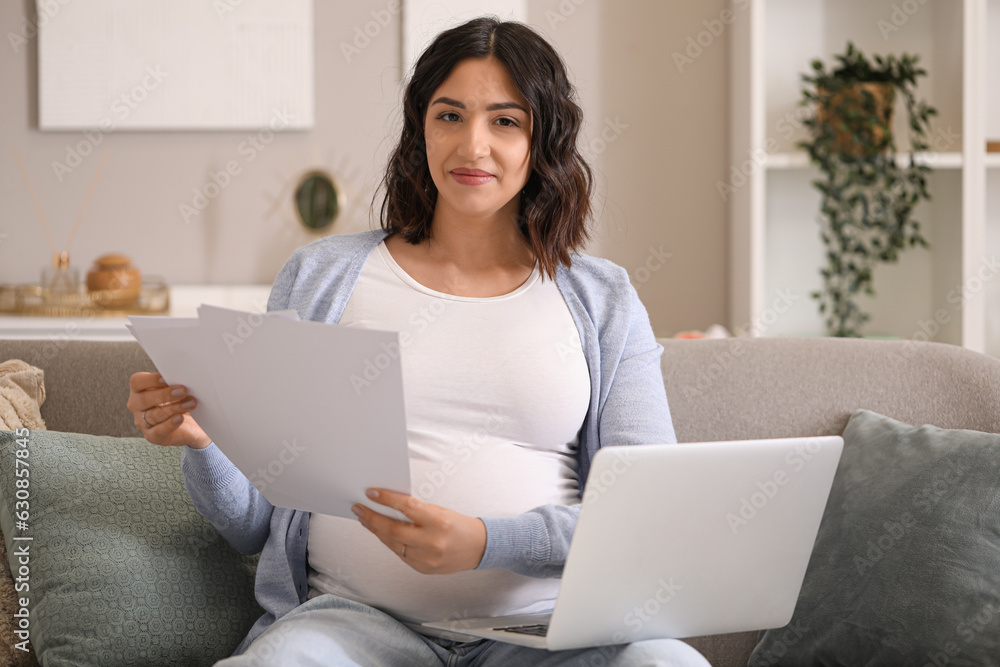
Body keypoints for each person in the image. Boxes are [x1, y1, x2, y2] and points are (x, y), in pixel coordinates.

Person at [127, 16, 710, 667]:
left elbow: (643, 516)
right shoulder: (321, 277)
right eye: (450, 116)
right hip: (353, 625)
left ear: (543, 137)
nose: (473, 145)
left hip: (542, 634)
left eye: (505, 121)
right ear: (420, 128)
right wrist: (206, 441)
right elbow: (251, 523)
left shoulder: (603, 300)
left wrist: (487, 542)